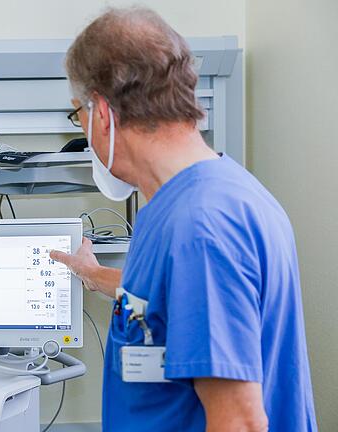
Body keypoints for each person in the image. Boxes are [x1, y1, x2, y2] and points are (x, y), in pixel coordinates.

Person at [51, 7, 317, 431]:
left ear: (101, 112)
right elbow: (175, 300)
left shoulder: (202, 227)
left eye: (76, 114)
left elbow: (240, 423)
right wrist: (92, 273)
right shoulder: (204, 198)